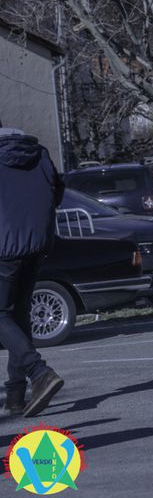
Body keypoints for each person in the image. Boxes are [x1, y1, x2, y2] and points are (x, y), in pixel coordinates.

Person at [0, 121, 65, 417]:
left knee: (1, 314)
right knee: (18, 314)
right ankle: (15, 395)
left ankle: (39, 373)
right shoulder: (37, 152)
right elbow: (57, 190)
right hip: (37, 244)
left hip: (4, 248)